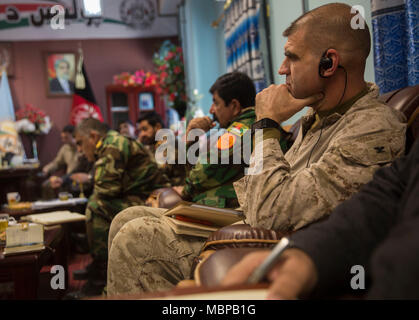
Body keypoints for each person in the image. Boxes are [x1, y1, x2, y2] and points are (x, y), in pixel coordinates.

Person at [105, 72, 292, 296]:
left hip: (231, 213)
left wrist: (191, 143)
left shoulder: (241, 130)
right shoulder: (243, 127)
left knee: (130, 233)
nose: (211, 110)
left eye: (215, 103)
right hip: (223, 209)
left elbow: (199, 176)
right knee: (124, 217)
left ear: (234, 106)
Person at [222, 138, 419, 299]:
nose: (212, 110)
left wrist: (265, 126)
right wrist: (311, 253)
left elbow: (267, 215)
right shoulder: (310, 126)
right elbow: (390, 195)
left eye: (216, 102)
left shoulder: (371, 125)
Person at [65, 118, 169, 299]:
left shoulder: (113, 144)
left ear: (93, 136)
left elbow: (106, 188)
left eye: (81, 143)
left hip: (153, 198)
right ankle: (99, 267)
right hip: (140, 196)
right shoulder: (110, 142)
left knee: (97, 206)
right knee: (96, 202)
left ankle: (99, 277)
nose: (80, 150)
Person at [136, 111, 186, 186]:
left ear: (158, 127)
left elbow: (158, 172)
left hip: (176, 188)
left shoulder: (168, 142)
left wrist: (138, 146)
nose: (142, 134)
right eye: (140, 130)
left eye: (145, 129)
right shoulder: (155, 144)